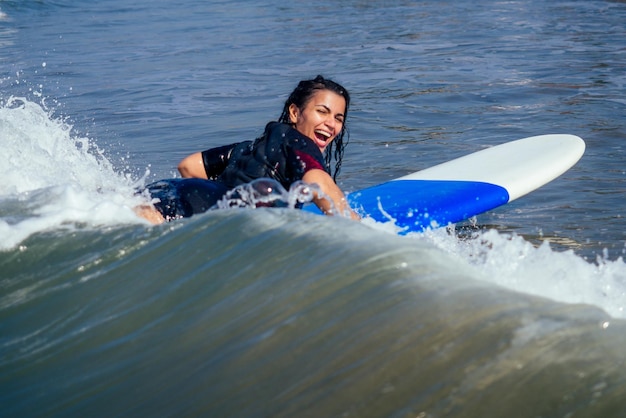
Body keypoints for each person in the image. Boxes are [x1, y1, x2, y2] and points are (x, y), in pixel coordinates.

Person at [136, 75, 359, 224]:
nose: (331, 123)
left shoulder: (251, 148)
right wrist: (356, 225)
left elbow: (189, 166)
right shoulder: (300, 142)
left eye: (338, 118)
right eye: (322, 112)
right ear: (294, 113)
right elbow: (318, 182)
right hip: (199, 201)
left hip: (169, 190)